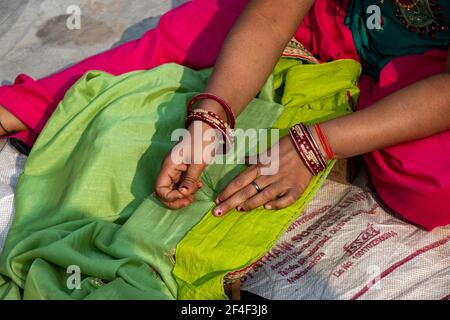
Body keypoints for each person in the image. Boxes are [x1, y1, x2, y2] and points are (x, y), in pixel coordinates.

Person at [0, 0, 449, 230]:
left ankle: (352, 113)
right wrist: (212, 115)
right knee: (190, 34)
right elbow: (271, 19)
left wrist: (319, 143)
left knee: (435, 187)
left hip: (429, 72)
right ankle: (25, 106)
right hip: (326, 20)